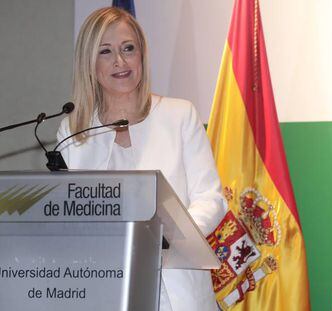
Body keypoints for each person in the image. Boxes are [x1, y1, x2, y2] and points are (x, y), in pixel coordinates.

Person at [56, 7, 226, 311]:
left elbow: (210, 198)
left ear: (142, 55)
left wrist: (165, 239)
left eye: (128, 48)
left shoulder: (179, 115)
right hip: (104, 288)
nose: (120, 61)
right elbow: (70, 218)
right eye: (105, 51)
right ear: (89, 63)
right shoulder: (72, 131)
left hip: (178, 288)